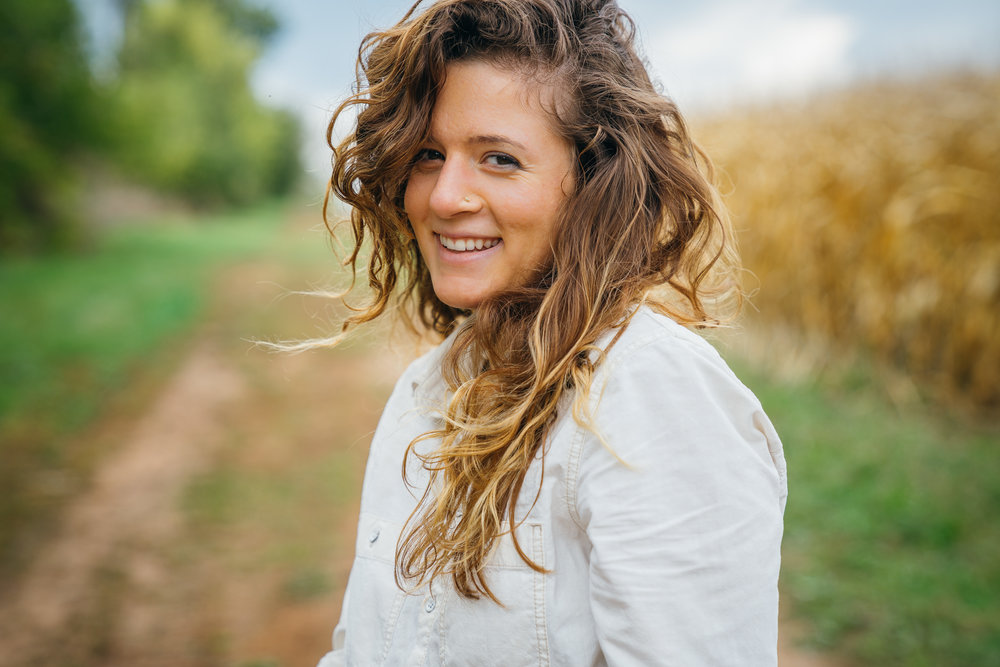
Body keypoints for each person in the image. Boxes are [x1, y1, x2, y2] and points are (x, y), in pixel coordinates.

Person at [316, 0, 787, 664]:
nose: (445, 196)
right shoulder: (426, 388)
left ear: (595, 182)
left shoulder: (653, 396)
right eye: (428, 154)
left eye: (499, 159)